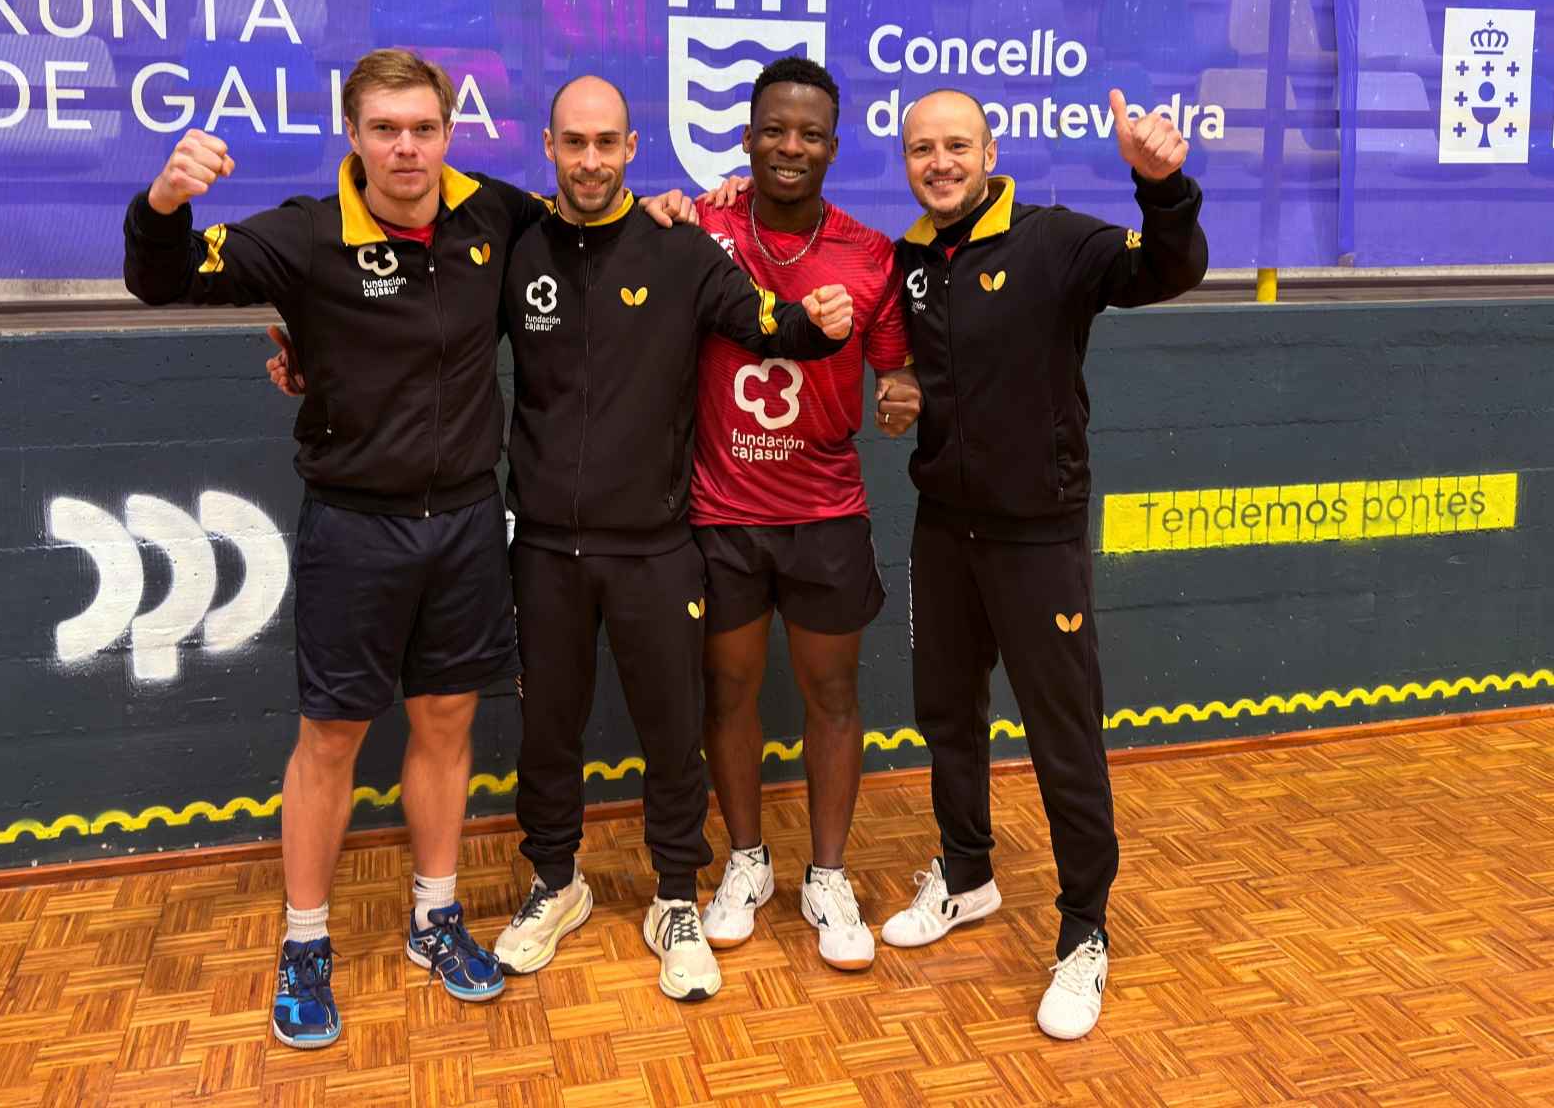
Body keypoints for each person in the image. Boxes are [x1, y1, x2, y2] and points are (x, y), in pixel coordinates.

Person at [123, 49, 689, 1048]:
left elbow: (598, 220)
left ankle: (436, 918)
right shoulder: (304, 234)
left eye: (423, 128)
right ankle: (305, 940)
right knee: (331, 738)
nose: (406, 148)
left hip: (469, 520)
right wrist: (165, 200)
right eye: (385, 129)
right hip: (355, 525)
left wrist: (683, 208)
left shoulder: (492, 214)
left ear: (448, 131)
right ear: (355, 137)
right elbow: (160, 280)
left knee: (445, 723)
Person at [489, 76, 853, 1003]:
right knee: (548, 728)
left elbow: (765, 322)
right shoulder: (515, 244)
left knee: (673, 732)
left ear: (633, 146)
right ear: (548, 146)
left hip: (656, 545)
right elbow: (430, 335)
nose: (591, 161)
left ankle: (678, 894)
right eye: (574, 143)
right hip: (544, 549)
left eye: (608, 142)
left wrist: (821, 325)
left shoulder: (681, 248)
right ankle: (556, 882)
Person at [879, 88, 1207, 1041]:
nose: (938, 163)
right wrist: (906, 396)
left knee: (1063, 737)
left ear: (992, 148)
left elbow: (1168, 269)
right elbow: (928, 380)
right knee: (947, 717)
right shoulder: (913, 261)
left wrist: (1164, 186)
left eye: (956, 146)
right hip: (944, 530)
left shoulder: (1056, 241)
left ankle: (1083, 932)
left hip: (1038, 538)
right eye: (921, 149)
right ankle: (968, 875)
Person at [681, 57, 921, 972]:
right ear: (745, 137)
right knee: (730, 692)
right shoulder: (699, 227)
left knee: (831, 695)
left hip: (824, 513)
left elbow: (895, 367)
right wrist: (672, 203)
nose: (790, 147)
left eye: (809, 133)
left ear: (832, 144)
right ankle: (747, 862)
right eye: (773, 130)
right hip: (722, 512)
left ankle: (828, 874)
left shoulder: (869, 254)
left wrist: (901, 395)